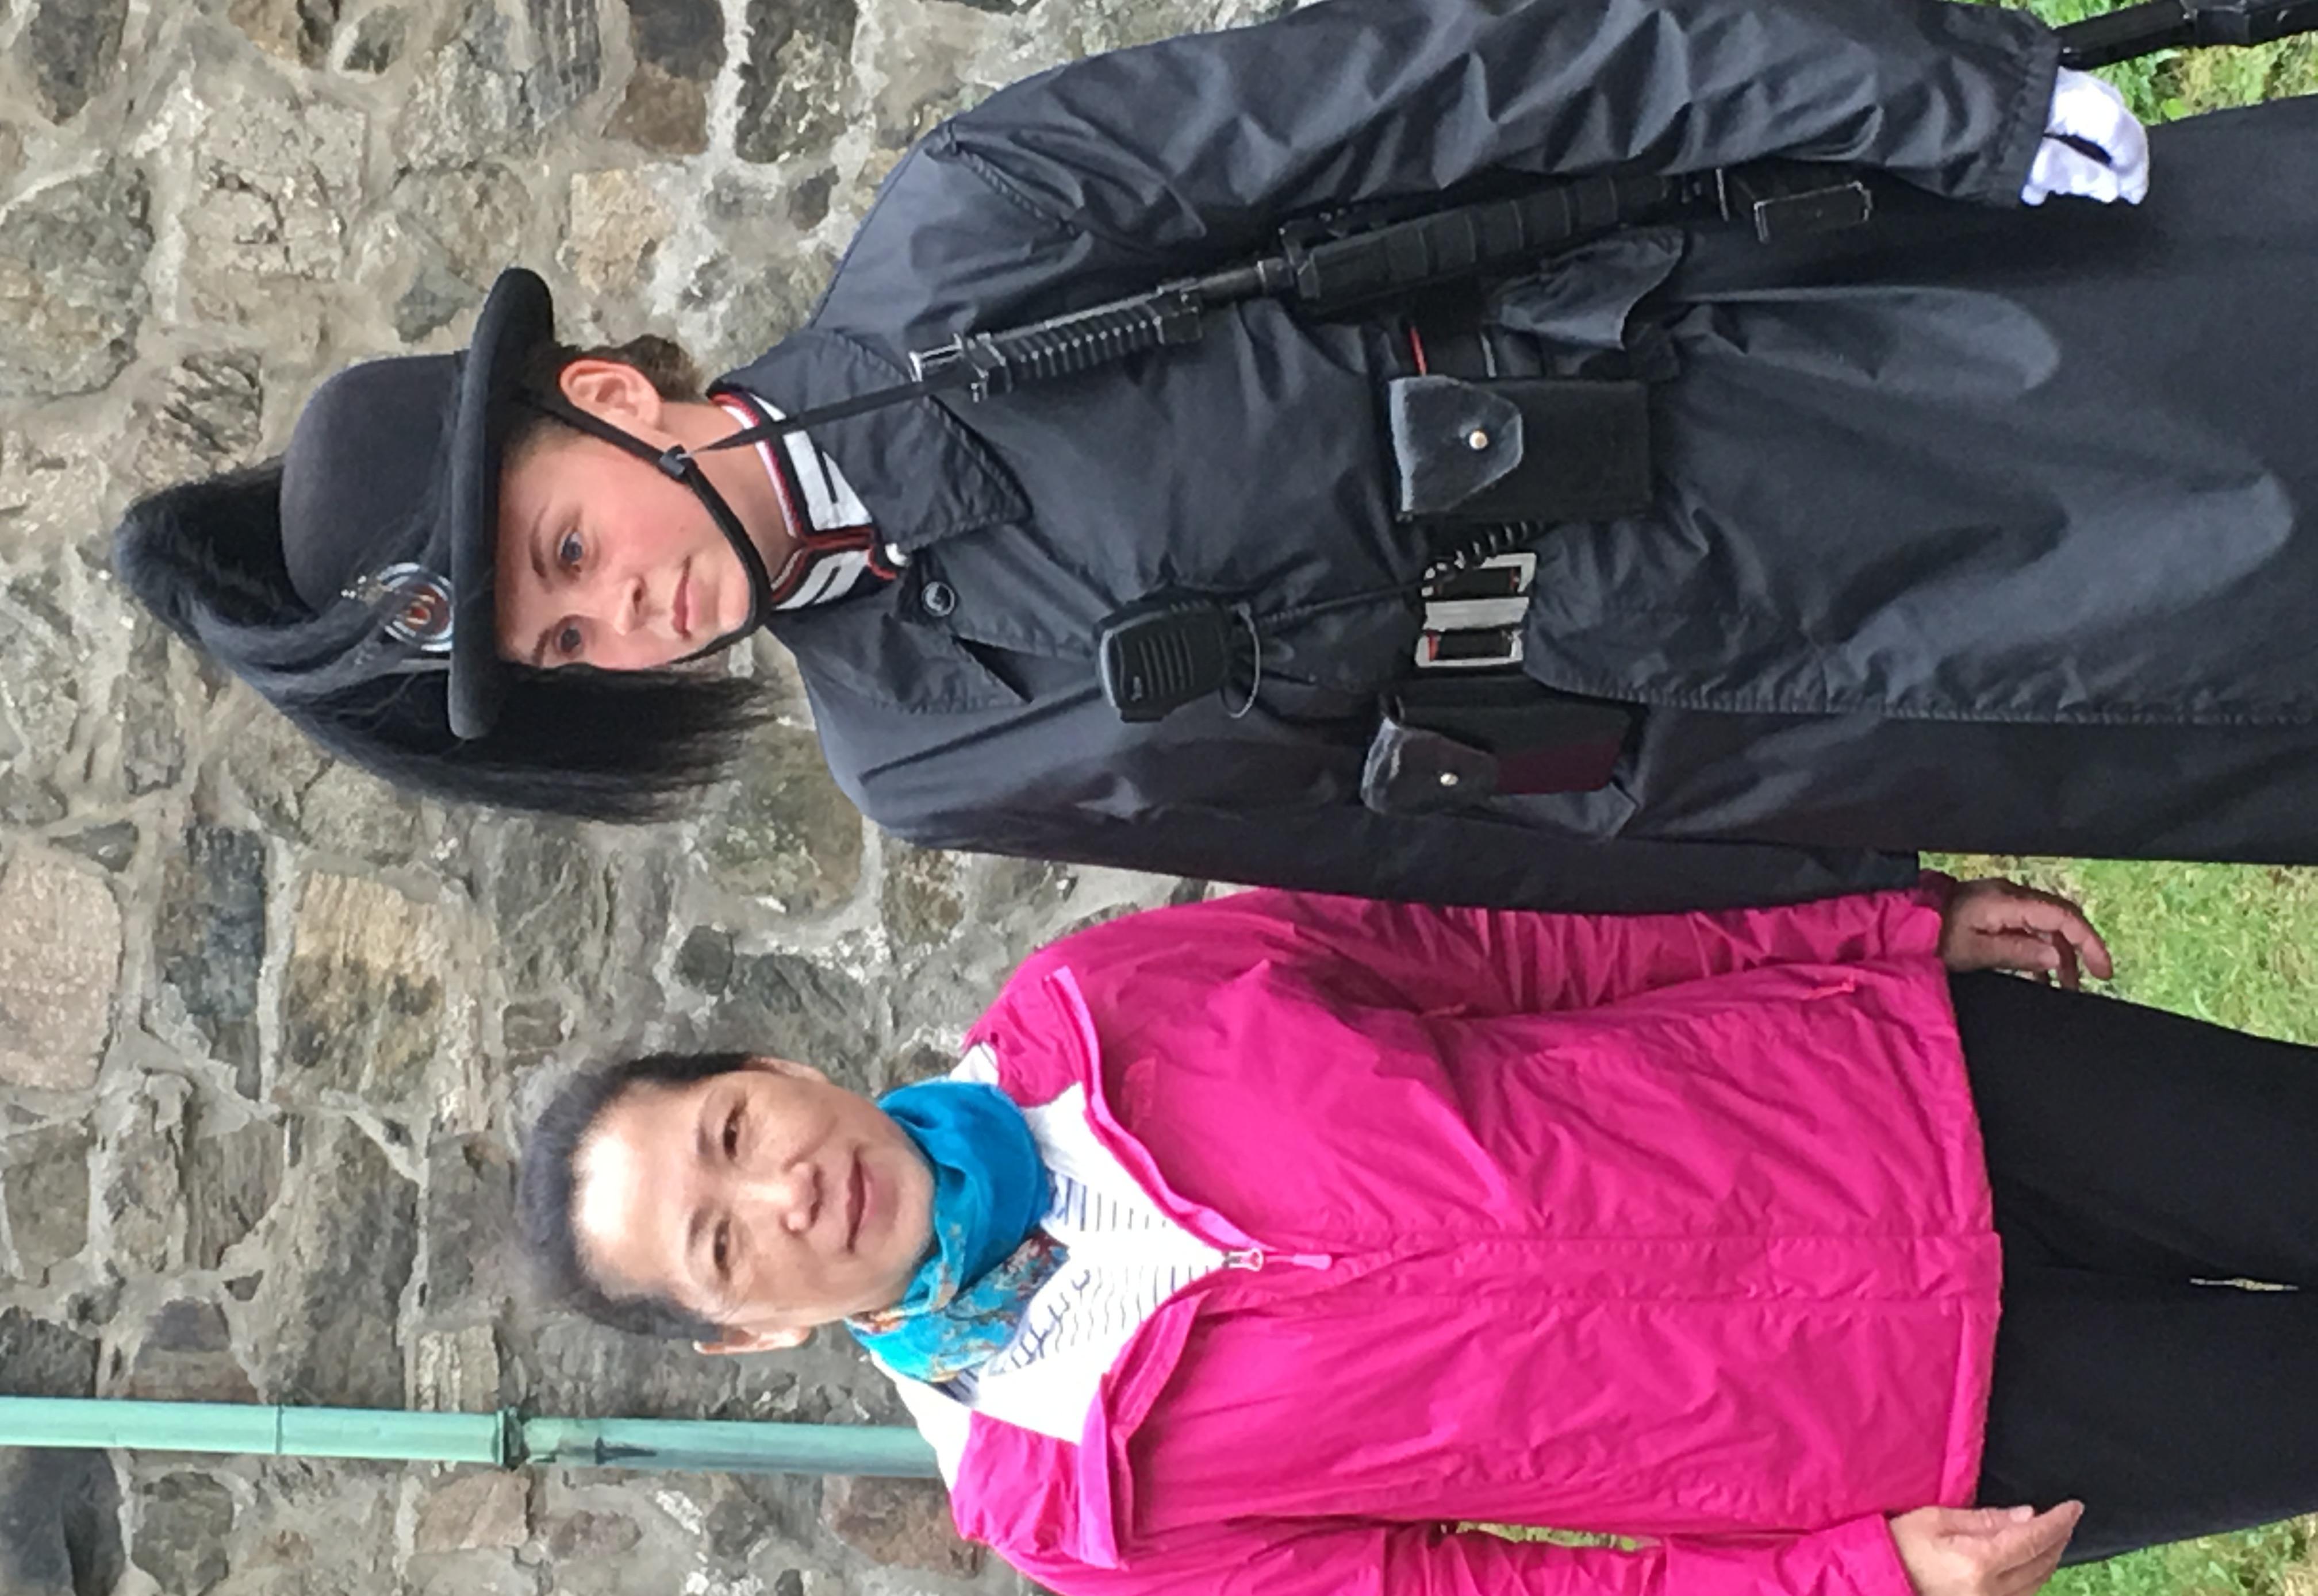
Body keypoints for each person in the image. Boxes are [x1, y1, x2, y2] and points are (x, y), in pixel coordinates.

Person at [110, 0, 2318, 910]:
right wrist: (1855, 915)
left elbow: (1479, 82)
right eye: (565, 642)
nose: (623, 614)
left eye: (565, 552)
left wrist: (1937, 98)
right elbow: (1423, 864)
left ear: (602, 397)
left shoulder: (978, 227)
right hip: (1799, 715)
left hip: (1844, 388)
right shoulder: (917, 754)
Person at [516, 876, 2318, 1596]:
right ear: (754, 1330)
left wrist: (1862, 926)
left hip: (1914, 1092)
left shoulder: (1103, 1005)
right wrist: (1851, 1590)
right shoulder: (1072, 1500)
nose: (784, 1190)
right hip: (1919, 1425)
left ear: (777, 1070)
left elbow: (1507, 946)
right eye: (725, 1240)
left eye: (734, 1131)